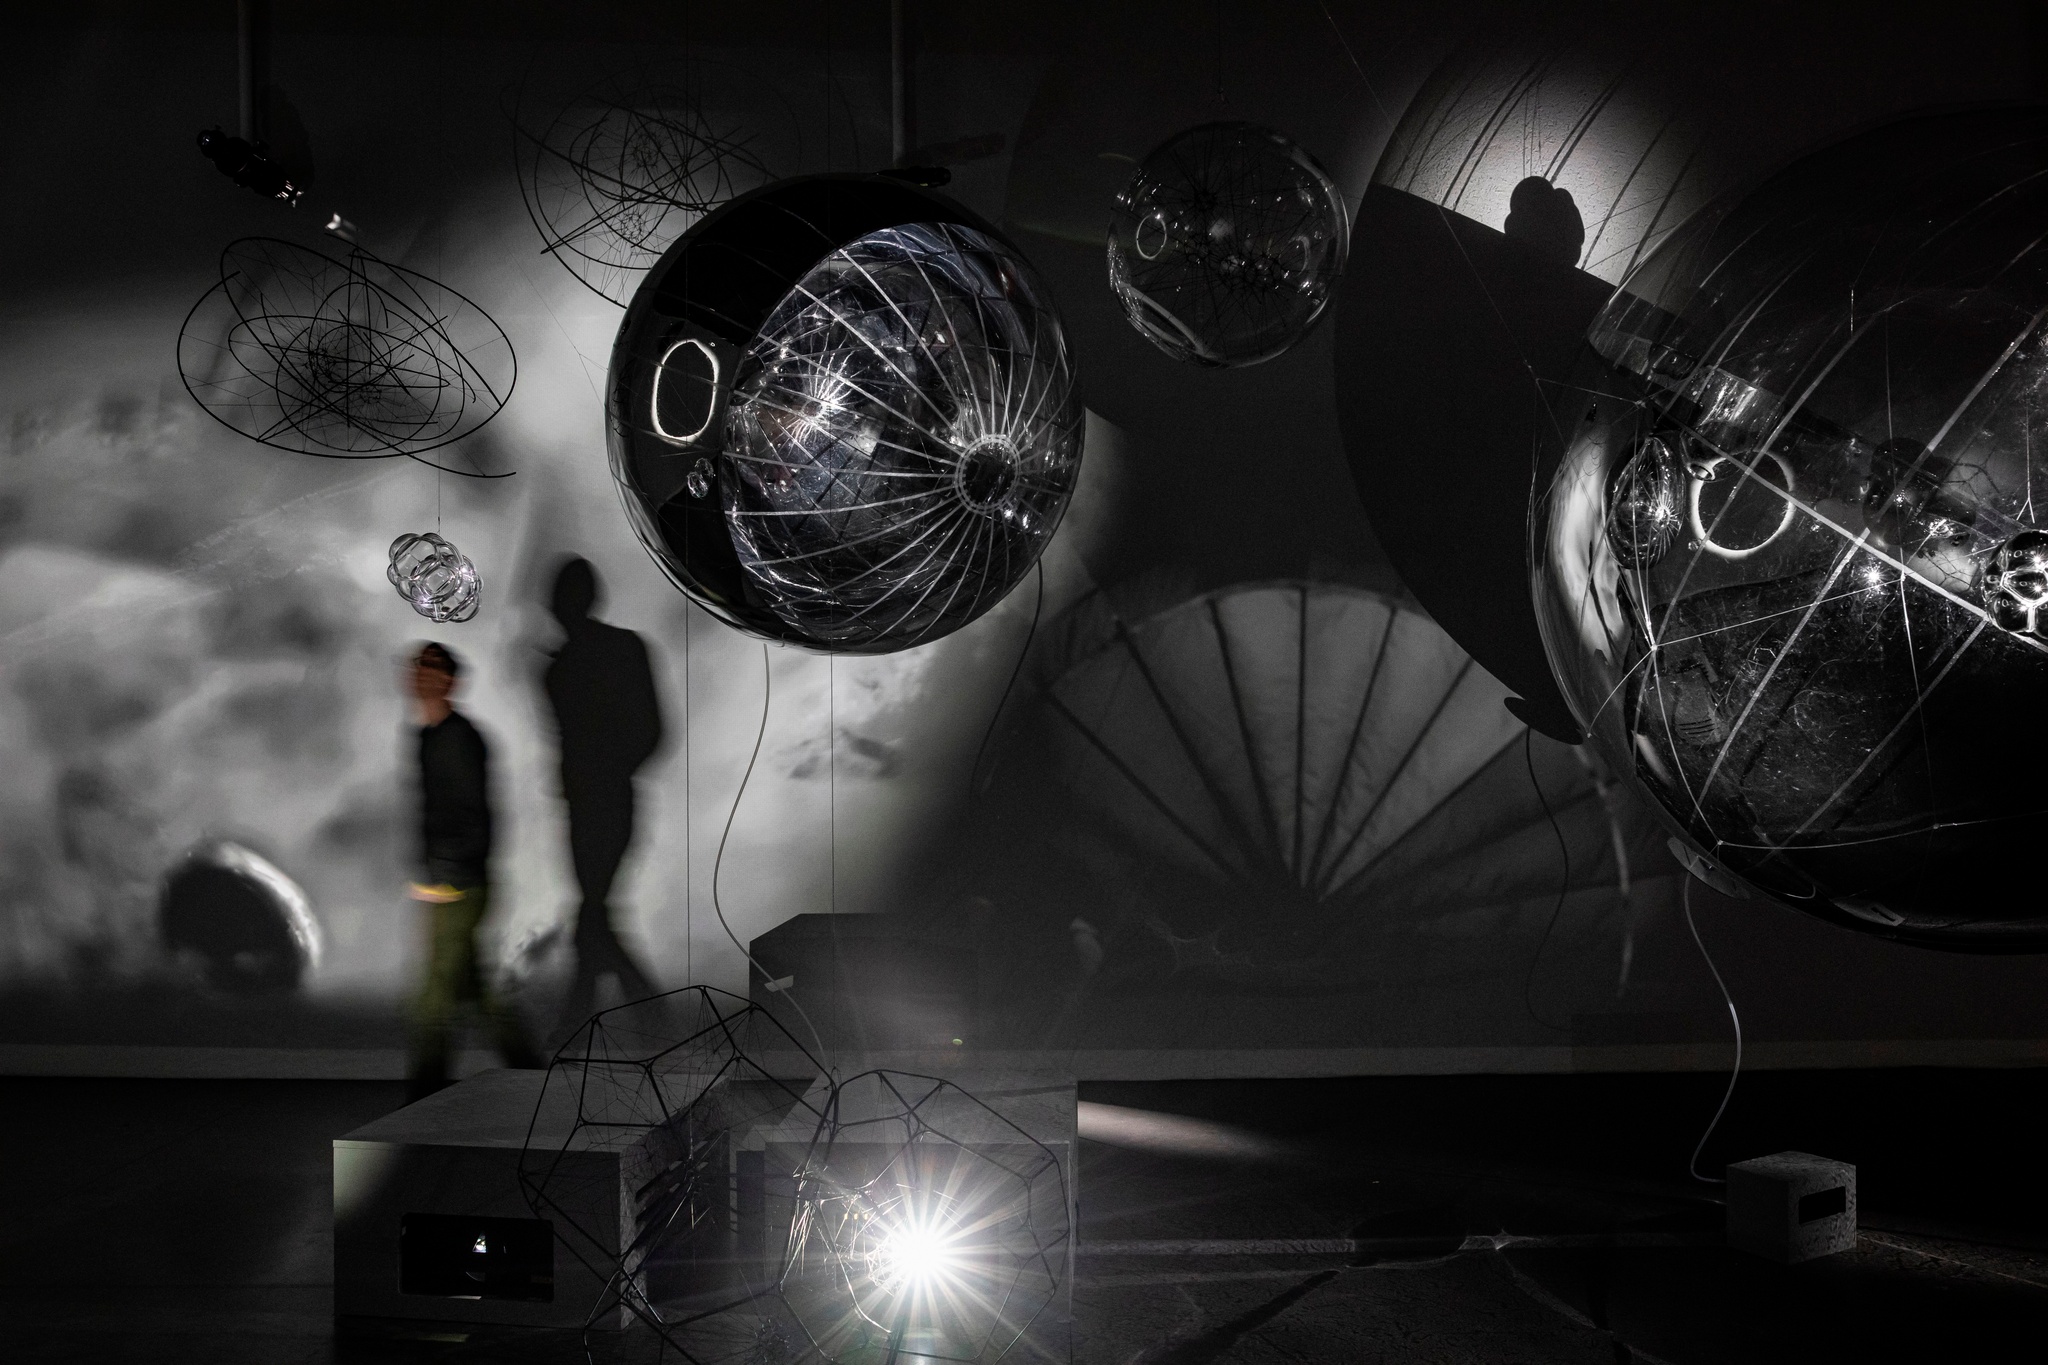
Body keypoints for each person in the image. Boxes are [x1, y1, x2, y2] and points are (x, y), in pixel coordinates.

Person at [403, 641, 538, 1102]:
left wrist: (446, 877)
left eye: (432, 667)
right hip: (447, 879)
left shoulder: (457, 739)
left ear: (451, 680)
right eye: (417, 666)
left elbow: (473, 815)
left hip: (456, 882)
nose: (420, 674)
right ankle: (537, 1080)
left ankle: (420, 1100)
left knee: (435, 996)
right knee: (478, 992)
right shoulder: (429, 736)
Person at [543, 558, 664, 1037]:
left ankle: (589, 1019)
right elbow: (651, 730)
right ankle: (631, 1014)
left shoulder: (570, 665)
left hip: (599, 798)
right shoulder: (609, 653)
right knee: (594, 912)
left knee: (592, 912)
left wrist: (605, 772)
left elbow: (647, 731)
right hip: (595, 798)